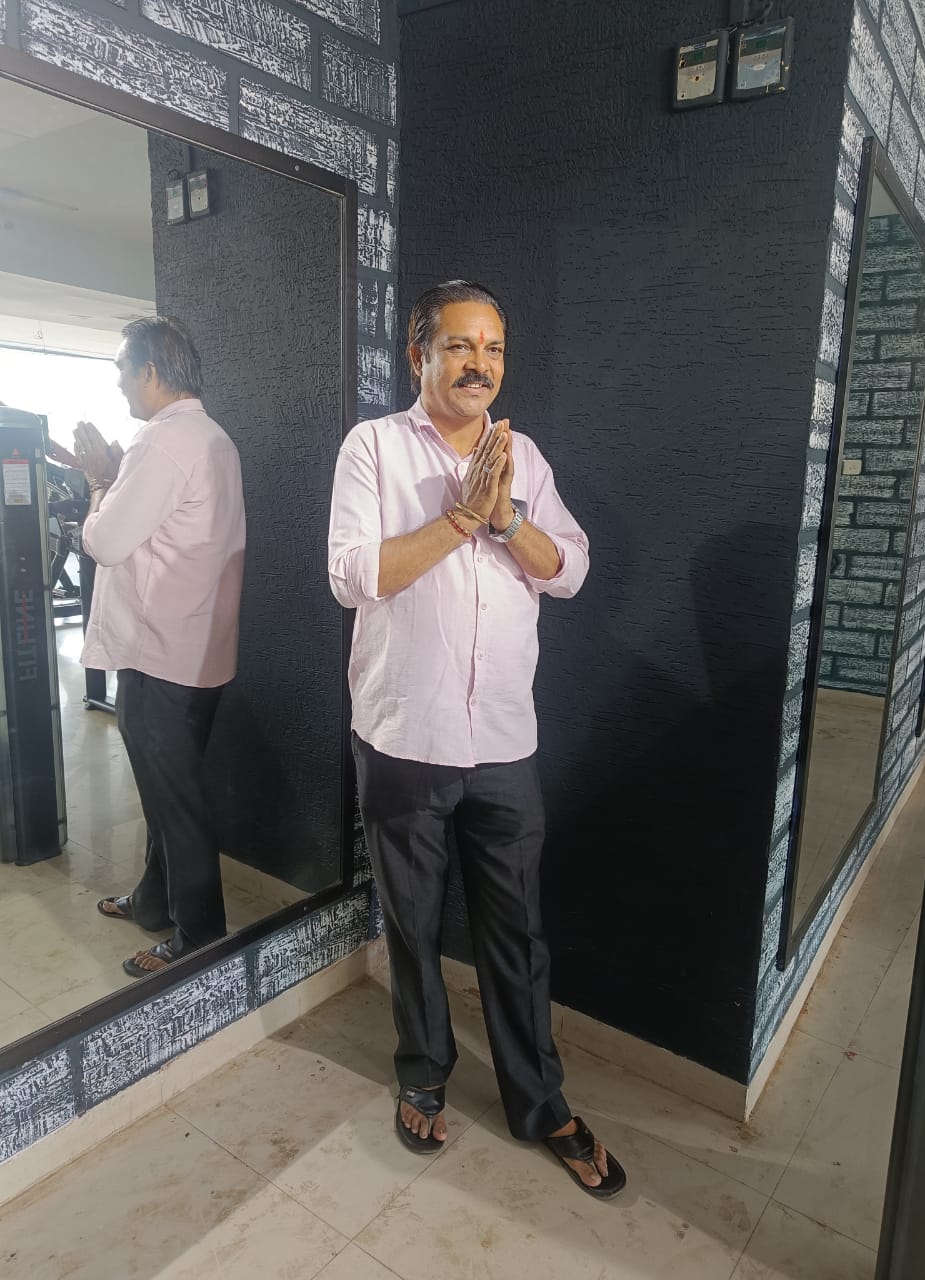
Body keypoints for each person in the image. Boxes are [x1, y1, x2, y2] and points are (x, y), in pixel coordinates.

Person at [328, 280, 625, 1198]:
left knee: (518, 934)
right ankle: (423, 1071)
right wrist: (460, 517)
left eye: (493, 348)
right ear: (418, 354)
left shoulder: (522, 457)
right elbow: (353, 575)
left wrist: (507, 517)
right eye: (460, 346)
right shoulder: (373, 447)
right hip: (403, 734)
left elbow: (570, 570)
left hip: (502, 739)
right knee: (413, 926)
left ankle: (540, 1102)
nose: (480, 364)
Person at [73, 316, 245, 978]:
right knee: (166, 792)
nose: (119, 382)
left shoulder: (162, 442)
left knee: (174, 802)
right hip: (196, 652)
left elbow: (106, 541)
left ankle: (199, 936)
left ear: (150, 371)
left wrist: (99, 482)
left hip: (159, 656)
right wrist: (120, 476)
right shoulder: (211, 437)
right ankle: (153, 900)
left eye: (122, 368)